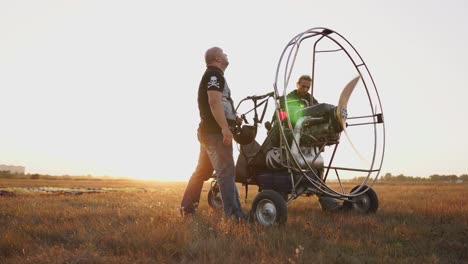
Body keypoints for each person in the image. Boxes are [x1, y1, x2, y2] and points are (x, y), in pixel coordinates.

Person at [180, 47, 246, 220]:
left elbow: (220, 104)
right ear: (217, 58)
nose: (226, 55)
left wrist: (233, 119)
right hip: (215, 134)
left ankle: (187, 208)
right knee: (226, 172)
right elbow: (214, 101)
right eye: (224, 53)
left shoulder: (214, 75)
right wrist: (225, 128)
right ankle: (234, 215)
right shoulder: (214, 75)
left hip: (208, 132)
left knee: (202, 172)